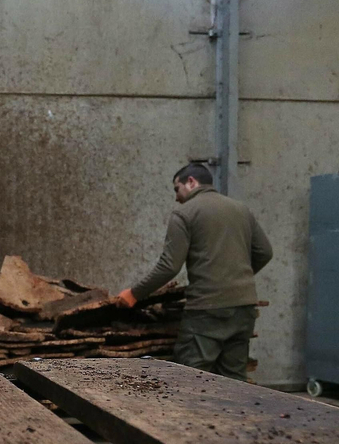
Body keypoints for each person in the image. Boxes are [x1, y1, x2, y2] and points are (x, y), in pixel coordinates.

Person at [116, 163, 272, 380]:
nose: (176, 197)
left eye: (177, 189)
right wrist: (235, 278)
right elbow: (265, 252)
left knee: (188, 379)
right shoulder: (241, 209)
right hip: (243, 309)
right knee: (234, 382)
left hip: (207, 311)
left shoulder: (184, 213)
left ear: (191, 182)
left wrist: (134, 294)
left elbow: (169, 266)